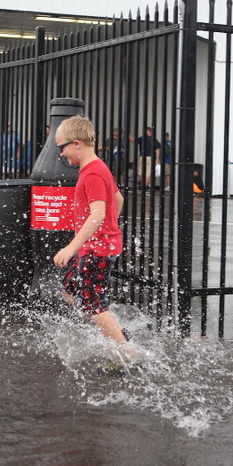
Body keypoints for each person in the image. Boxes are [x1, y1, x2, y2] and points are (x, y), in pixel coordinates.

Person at [52, 115, 133, 365]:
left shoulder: (93, 174)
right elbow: (117, 200)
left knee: (93, 304)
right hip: (95, 246)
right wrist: (109, 229)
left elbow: (97, 213)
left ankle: (125, 355)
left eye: (61, 148)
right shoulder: (97, 168)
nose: (61, 154)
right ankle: (113, 329)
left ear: (77, 143)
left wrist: (71, 246)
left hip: (96, 250)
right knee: (70, 288)